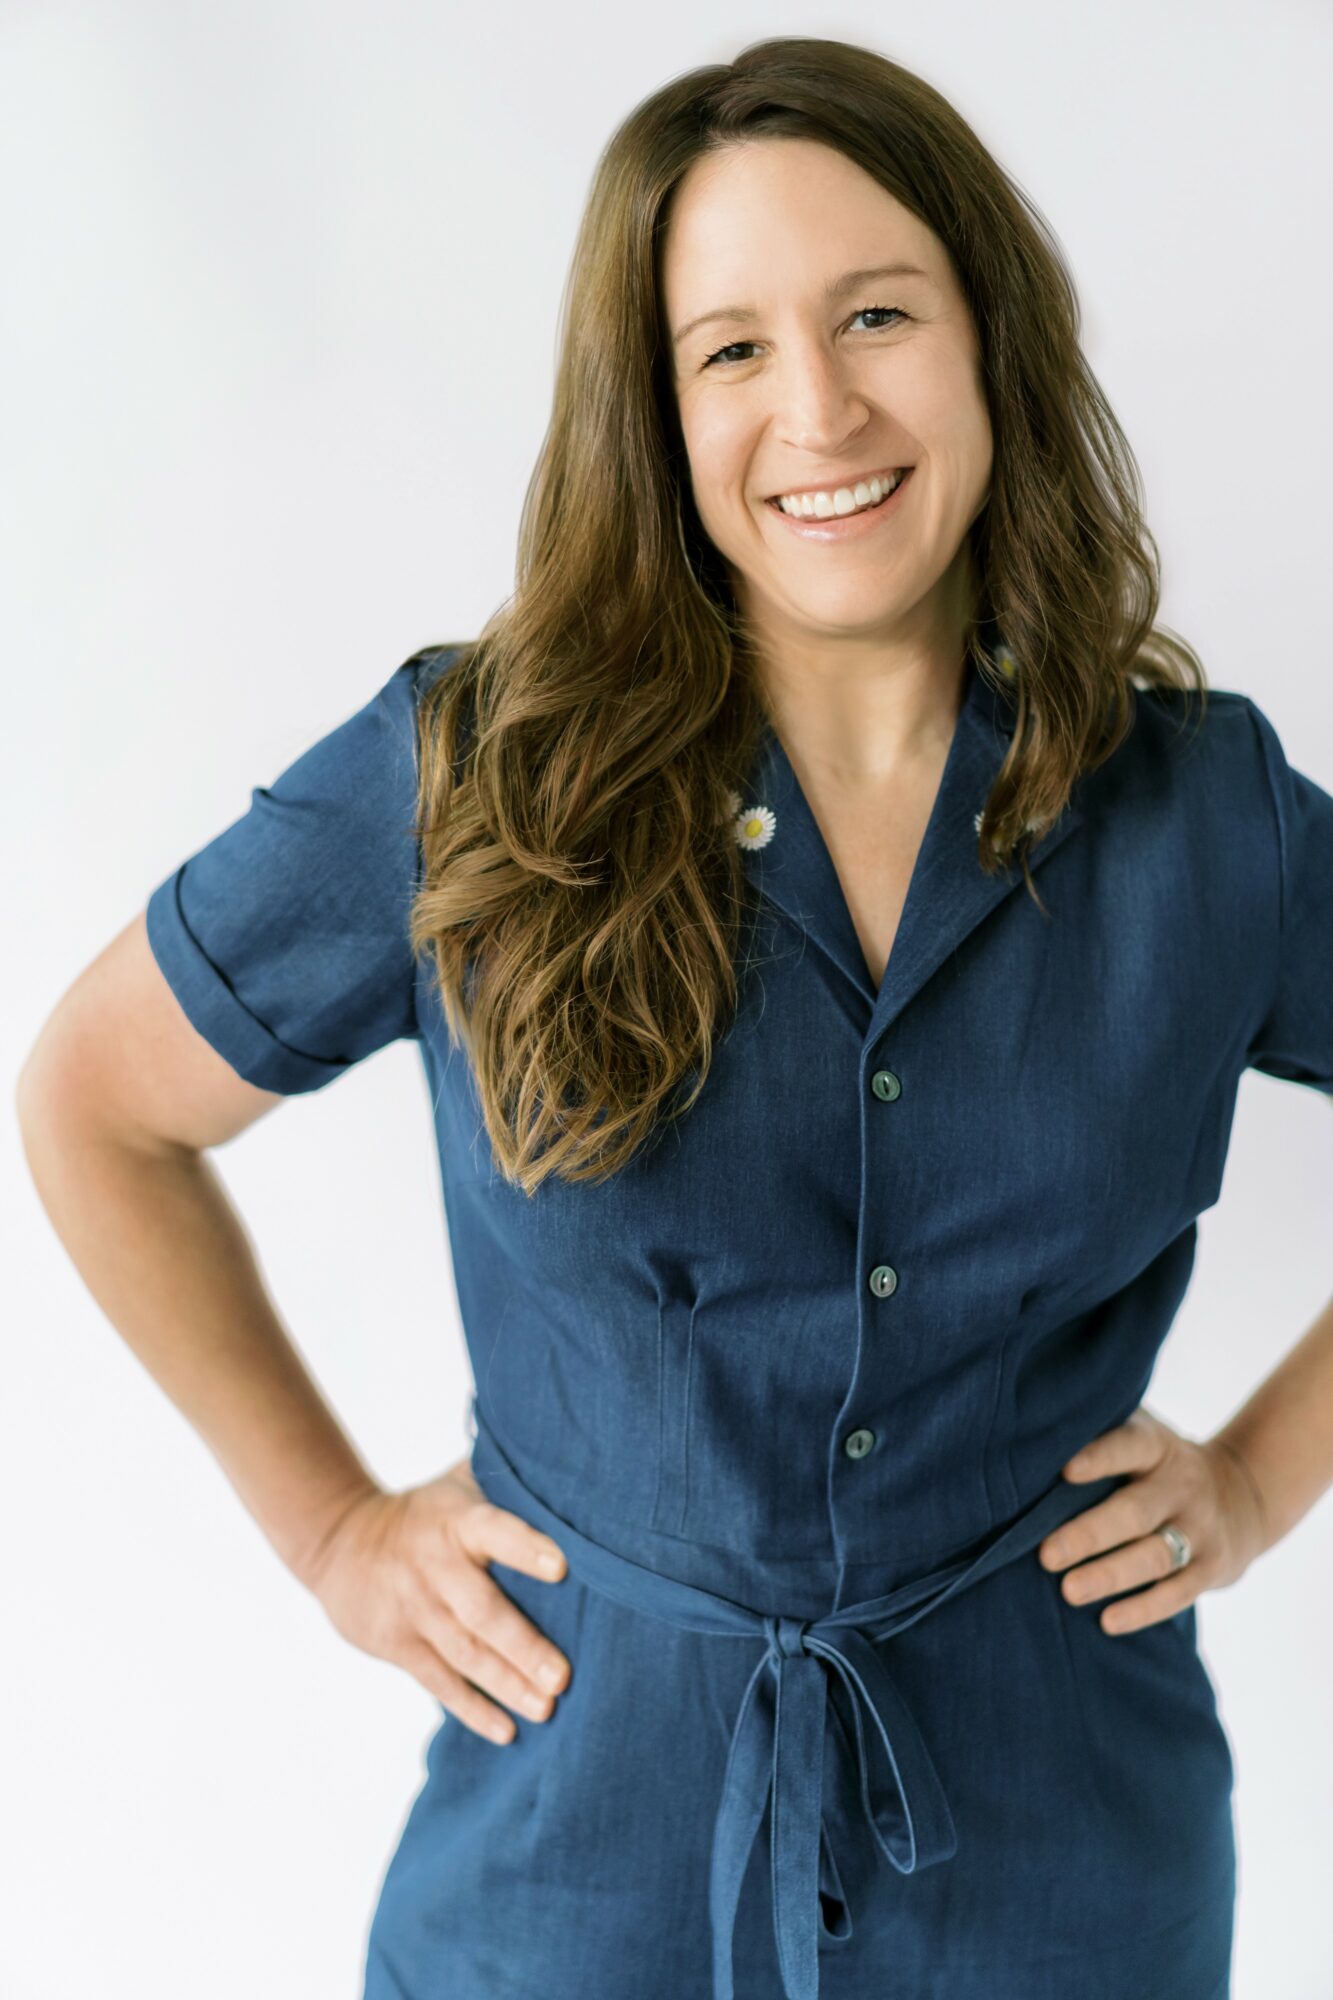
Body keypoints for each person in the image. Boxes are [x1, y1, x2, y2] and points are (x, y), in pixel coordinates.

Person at [16, 34, 1333, 2000]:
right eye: (729, 350)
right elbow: (94, 1099)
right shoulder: (464, 775)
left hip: (1062, 1861)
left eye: (875, 312)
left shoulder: (1204, 815)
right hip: (569, 1863)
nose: (817, 407)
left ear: (987, 339)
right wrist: (330, 1533)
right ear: (654, 409)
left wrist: (1257, 1473)